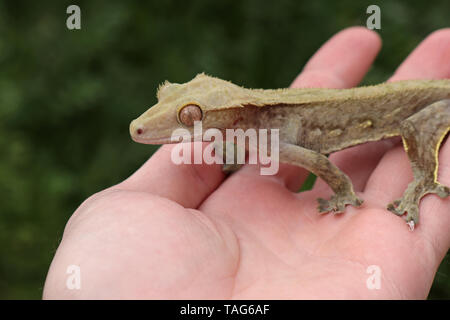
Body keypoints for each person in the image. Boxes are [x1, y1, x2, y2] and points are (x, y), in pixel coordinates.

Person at [43, 26, 450, 299]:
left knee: (416, 131)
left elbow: (318, 162)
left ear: (232, 114)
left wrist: (343, 193)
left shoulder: (272, 140)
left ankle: (425, 183)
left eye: (188, 118)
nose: (144, 127)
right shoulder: (255, 135)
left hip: (431, 105)